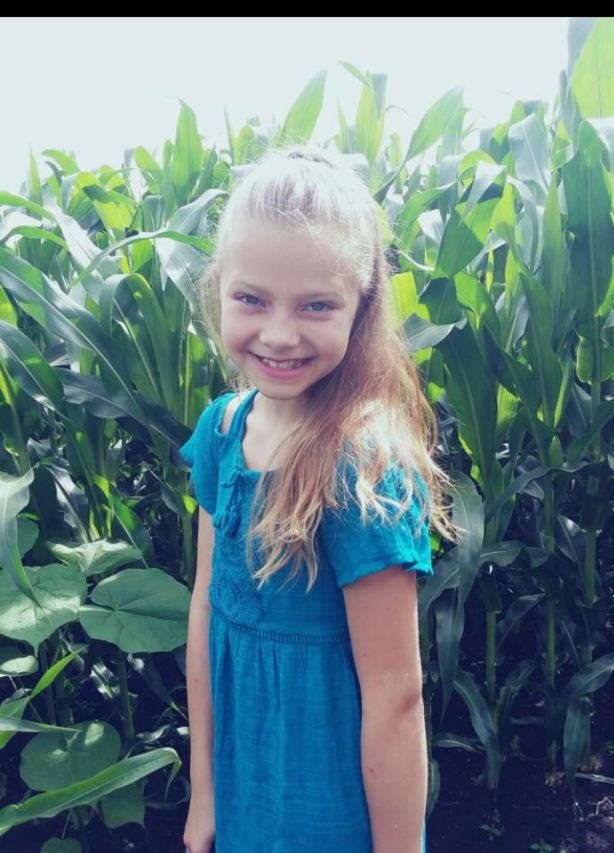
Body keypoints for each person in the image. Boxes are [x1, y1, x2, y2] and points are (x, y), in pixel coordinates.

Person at [180, 143, 460, 853]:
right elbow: (206, 605)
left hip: (329, 807)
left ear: (361, 306)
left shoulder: (361, 470)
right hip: (243, 785)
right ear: (218, 288)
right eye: (251, 298)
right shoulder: (221, 431)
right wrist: (204, 790)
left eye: (316, 305)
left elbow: (396, 699)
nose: (279, 334)